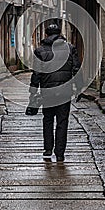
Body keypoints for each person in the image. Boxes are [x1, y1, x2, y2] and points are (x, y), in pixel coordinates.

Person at [29, 23, 81, 162]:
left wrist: (33, 92)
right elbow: (76, 69)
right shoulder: (70, 49)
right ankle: (60, 153)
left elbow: (37, 73)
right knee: (62, 122)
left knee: (48, 119)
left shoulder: (40, 51)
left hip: (48, 92)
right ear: (59, 34)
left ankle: (47, 149)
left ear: (46, 34)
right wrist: (79, 88)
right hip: (65, 92)